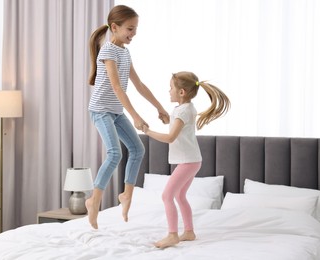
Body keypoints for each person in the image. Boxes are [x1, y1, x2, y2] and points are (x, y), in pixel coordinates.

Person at [86, 5, 169, 230]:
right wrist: (136, 116)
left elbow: (138, 84)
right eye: (130, 29)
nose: (134, 34)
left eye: (135, 29)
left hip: (116, 111)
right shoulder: (108, 51)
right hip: (101, 110)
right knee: (114, 153)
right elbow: (116, 87)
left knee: (137, 149)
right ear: (115, 27)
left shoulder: (124, 51)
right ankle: (94, 200)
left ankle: (127, 195)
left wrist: (159, 107)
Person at [142, 71, 230, 249]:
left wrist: (147, 131)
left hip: (188, 161)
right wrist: (169, 119)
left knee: (167, 195)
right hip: (192, 160)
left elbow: (171, 138)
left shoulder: (183, 110)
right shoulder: (185, 108)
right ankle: (189, 232)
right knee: (180, 195)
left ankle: (172, 235)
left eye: (171, 88)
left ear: (181, 92)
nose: (168, 91)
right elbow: (180, 128)